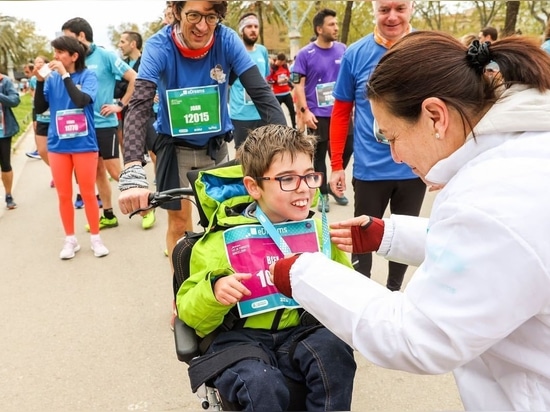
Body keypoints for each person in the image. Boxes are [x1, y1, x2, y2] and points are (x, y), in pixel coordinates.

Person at [271, 32, 550, 411]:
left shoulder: (491, 198)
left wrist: (305, 273)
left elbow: (416, 336)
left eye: (392, 137)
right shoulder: (523, 153)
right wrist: (391, 234)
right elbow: (501, 254)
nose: (397, 156)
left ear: (435, 116)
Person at [177, 124, 356, 410]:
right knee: (261, 384)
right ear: (252, 186)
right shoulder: (221, 239)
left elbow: (348, 290)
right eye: (287, 179)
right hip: (241, 337)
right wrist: (214, 290)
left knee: (334, 355)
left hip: (302, 330)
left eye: (309, 176)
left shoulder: (318, 232)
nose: (304, 188)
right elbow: (188, 310)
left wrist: (342, 276)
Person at [118, 2, 285, 262]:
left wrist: (286, 153)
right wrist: (131, 167)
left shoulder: (227, 39)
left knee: (226, 222)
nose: (202, 26)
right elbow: (139, 105)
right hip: (174, 147)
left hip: (215, 146)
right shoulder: (159, 45)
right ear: (176, 12)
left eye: (211, 17)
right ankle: (182, 295)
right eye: (193, 15)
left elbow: (262, 95)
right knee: (179, 224)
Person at [329, 0, 426, 292]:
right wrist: (336, 165)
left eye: (400, 8)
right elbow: (341, 111)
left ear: (411, 8)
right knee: (362, 239)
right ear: (374, 10)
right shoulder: (355, 54)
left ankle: (394, 292)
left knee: (404, 238)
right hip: (370, 171)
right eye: (384, 9)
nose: (392, 16)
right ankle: (362, 295)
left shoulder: (426, 49)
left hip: (415, 168)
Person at [34, 35, 109, 259]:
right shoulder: (51, 79)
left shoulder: (88, 76)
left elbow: (81, 100)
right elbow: (40, 107)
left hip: (84, 143)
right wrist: (39, 81)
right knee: (64, 194)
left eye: (60, 53)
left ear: (74, 56)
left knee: (87, 193)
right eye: (54, 52)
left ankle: (96, 238)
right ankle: (70, 240)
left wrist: (66, 76)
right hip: (58, 144)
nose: (55, 57)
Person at [62, 17, 137, 228]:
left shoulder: (105, 56)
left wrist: (120, 105)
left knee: (115, 171)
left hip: (104, 124)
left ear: (81, 36)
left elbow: (134, 78)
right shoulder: (75, 60)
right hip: (82, 126)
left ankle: (145, 209)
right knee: (97, 173)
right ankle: (109, 215)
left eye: (68, 38)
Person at [292, 8, 352, 213]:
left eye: (336, 24)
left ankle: (334, 186)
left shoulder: (343, 49)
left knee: (347, 149)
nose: (336, 27)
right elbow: (298, 85)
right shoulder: (304, 54)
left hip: (341, 114)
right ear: (319, 29)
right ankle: (324, 194)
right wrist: (304, 111)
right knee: (318, 159)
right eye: (331, 24)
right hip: (317, 115)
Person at [117, 30, 156, 230]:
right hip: (129, 116)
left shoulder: (147, 60)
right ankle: (142, 198)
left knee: (155, 154)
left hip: (149, 114)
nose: (119, 44)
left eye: (123, 41)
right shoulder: (126, 65)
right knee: (132, 158)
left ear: (133, 44)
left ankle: (156, 199)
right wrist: (121, 103)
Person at [229, 12, 275, 149]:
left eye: (256, 26)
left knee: (262, 154)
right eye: (249, 26)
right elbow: (227, 83)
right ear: (241, 30)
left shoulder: (262, 51)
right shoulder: (233, 52)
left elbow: (265, 78)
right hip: (241, 115)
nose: (253, 29)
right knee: (241, 155)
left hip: (261, 113)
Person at [0, 72, 21, 210]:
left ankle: (8, 195)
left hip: (3, 131)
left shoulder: (4, 81)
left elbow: (15, 100)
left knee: (5, 164)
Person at [266, 52, 296, 128]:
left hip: (286, 92)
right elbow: (268, 80)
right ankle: (274, 127)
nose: (283, 63)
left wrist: (287, 79)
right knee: (275, 112)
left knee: (292, 110)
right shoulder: (273, 68)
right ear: (280, 60)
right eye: (282, 62)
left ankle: (294, 126)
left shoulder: (285, 66)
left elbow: (288, 75)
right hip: (277, 94)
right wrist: (277, 81)